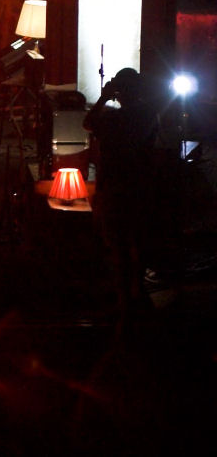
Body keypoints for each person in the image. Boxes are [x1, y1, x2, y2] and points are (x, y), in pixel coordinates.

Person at [82, 67, 159, 324]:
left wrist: (104, 98)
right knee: (138, 242)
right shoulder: (148, 114)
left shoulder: (112, 119)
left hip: (114, 188)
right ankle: (138, 296)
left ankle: (124, 302)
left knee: (119, 247)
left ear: (119, 91)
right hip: (141, 187)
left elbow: (88, 123)